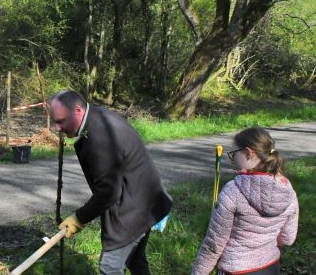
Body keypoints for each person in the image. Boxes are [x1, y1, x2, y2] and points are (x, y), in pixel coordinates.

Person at [50, 90, 172, 275]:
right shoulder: (97, 117)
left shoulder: (99, 138)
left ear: (77, 111)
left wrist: (78, 219)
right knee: (136, 259)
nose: (57, 128)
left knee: (110, 267)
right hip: (146, 201)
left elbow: (108, 193)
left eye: (60, 121)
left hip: (135, 210)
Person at [193, 127, 298, 275]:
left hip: (235, 270)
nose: (232, 159)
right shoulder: (287, 189)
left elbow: (214, 245)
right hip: (270, 268)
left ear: (248, 153)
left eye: (234, 154)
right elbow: (288, 239)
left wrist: (198, 272)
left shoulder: (233, 191)